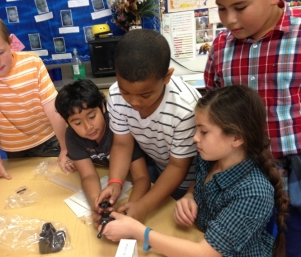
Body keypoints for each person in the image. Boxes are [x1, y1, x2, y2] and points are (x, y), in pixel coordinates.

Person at [101, 86, 289, 257]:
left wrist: (138, 232)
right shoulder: (209, 157)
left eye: (203, 132)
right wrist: (190, 196)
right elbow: (199, 183)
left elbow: (205, 253)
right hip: (197, 237)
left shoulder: (253, 192)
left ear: (237, 138)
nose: (195, 138)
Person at [204, 1, 301, 256]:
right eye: (222, 8)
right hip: (246, 179)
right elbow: (213, 114)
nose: (230, 20)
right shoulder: (221, 46)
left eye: (241, 7)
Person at [0, 11, 74, 181]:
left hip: (47, 140)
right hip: (13, 147)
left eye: (0, 52)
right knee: (22, 184)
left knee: (57, 181)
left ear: (10, 42)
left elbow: (53, 109)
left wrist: (65, 149)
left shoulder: (32, 62)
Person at [96, 29, 201, 222]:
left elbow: (178, 166)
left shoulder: (185, 108)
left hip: (193, 184)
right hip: (162, 176)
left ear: (167, 77)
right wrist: (115, 182)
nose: (134, 102)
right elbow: (122, 144)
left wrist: (143, 207)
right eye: (125, 92)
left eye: (145, 95)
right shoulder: (116, 95)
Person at [55, 79, 150, 226]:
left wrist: (131, 208)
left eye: (92, 116)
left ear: (103, 107)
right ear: (67, 122)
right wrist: (96, 203)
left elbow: (142, 177)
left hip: (133, 182)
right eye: (77, 123)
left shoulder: (119, 127)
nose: (88, 127)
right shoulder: (72, 136)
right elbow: (88, 175)